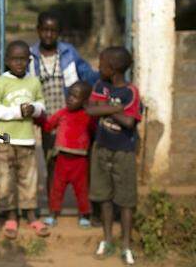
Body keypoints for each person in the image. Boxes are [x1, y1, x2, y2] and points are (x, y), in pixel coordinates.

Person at [28, 12, 100, 220]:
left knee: (78, 163)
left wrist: (104, 87)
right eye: (45, 29)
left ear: (58, 33)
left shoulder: (68, 52)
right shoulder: (31, 55)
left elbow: (88, 75)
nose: (49, 34)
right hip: (49, 119)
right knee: (52, 162)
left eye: (53, 30)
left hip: (72, 116)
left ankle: (85, 210)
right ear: (38, 30)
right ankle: (53, 207)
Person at [0, 40, 49, 239]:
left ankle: (31, 215)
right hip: (4, 141)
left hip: (27, 140)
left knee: (29, 178)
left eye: (23, 59)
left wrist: (35, 109)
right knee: (6, 179)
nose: (19, 63)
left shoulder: (33, 81)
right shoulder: (1, 82)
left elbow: (42, 105)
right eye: (15, 59)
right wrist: (18, 111)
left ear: (29, 60)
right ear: (7, 61)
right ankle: (11, 216)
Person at [85, 47, 141, 266]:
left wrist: (105, 108)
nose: (98, 67)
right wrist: (116, 109)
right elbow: (90, 110)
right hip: (101, 148)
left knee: (126, 200)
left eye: (102, 64)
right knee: (104, 197)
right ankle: (107, 239)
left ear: (114, 68)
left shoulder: (131, 92)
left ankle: (126, 245)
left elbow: (129, 122)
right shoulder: (100, 85)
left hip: (123, 152)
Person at [36, 81, 94, 228]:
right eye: (69, 95)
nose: (70, 99)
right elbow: (48, 126)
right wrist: (39, 119)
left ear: (85, 101)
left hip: (80, 160)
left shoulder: (88, 116)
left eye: (75, 97)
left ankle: (84, 215)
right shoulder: (62, 113)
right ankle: (53, 214)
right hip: (62, 159)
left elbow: (93, 131)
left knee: (82, 191)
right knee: (57, 189)